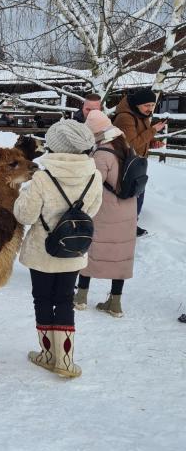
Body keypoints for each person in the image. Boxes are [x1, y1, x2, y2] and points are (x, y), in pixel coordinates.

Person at [14, 119, 102, 378]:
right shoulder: (94, 175)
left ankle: (47, 354)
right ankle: (65, 360)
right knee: (65, 300)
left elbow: (26, 215)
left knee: (42, 299)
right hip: (73, 249)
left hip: (43, 250)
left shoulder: (42, 177)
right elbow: (92, 211)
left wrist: (22, 196)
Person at [74, 112, 137, 318]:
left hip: (105, 211)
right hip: (127, 210)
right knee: (121, 255)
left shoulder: (101, 153)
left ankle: (81, 297)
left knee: (90, 250)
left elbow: (93, 185)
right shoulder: (127, 147)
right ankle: (115, 303)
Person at [113, 88, 165, 236]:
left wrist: (153, 143)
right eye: (147, 105)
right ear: (137, 104)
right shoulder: (125, 117)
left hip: (137, 163)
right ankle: (123, 227)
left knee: (138, 194)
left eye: (152, 105)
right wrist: (153, 130)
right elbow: (131, 144)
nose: (150, 109)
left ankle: (131, 224)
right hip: (125, 164)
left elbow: (142, 138)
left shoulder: (142, 115)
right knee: (129, 195)